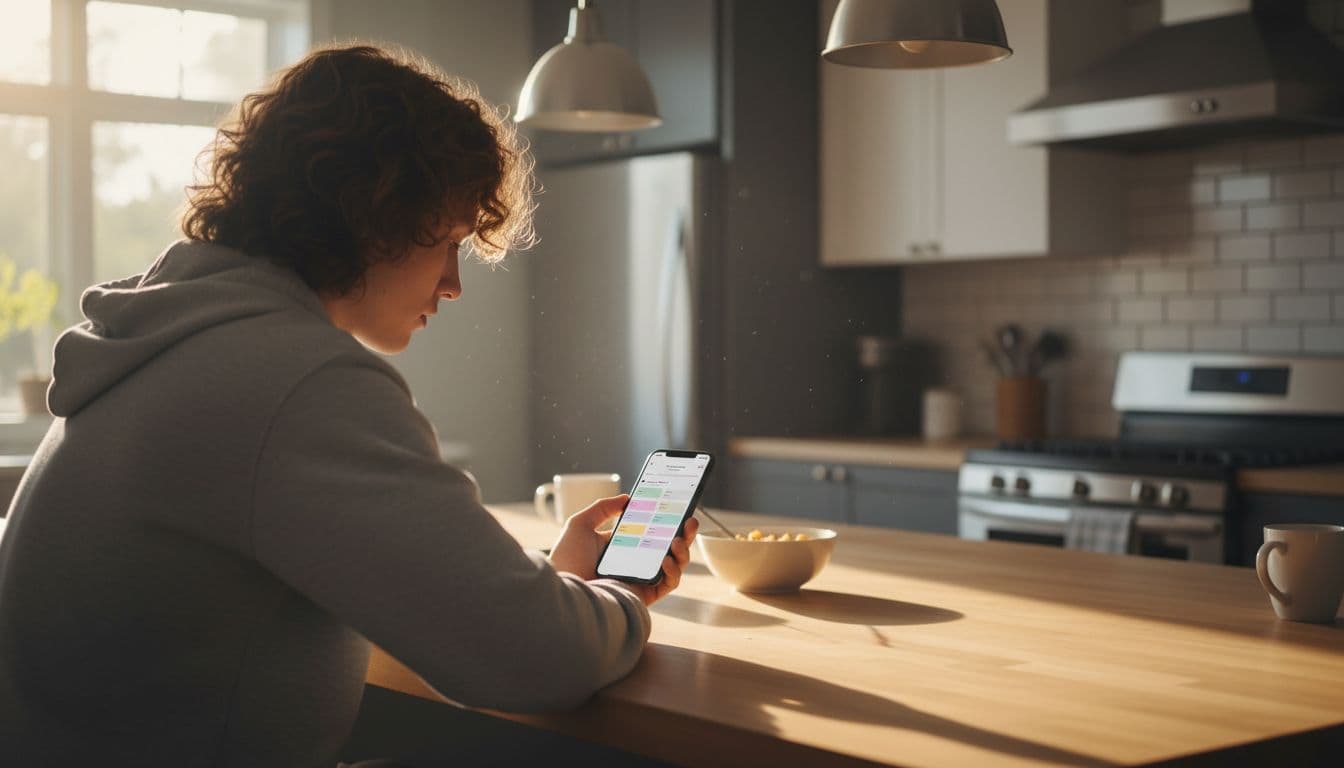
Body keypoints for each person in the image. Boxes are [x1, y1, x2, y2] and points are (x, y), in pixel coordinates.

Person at [0, 43, 697, 767]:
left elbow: (408, 575)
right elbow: (536, 660)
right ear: (373, 215)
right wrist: (620, 590)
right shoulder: (295, 381)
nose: (453, 284)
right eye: (447, 241)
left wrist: (553, 581)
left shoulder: (166, 341)